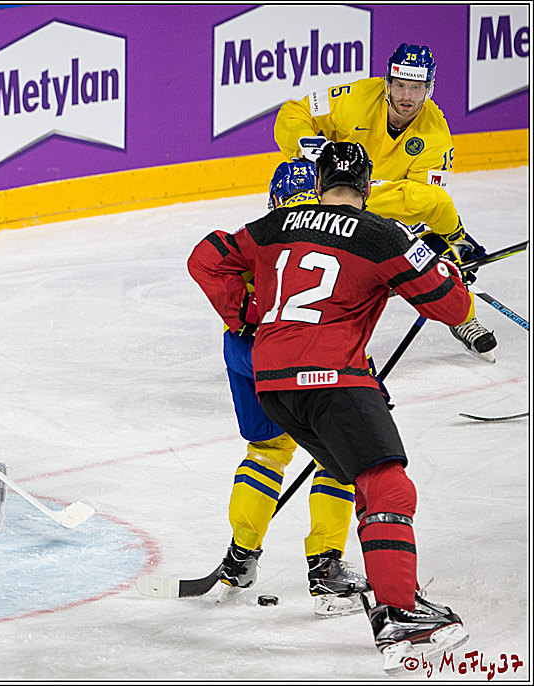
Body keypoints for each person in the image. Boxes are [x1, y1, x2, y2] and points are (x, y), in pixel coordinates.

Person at [188, 142, 472, 674]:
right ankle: (398, 610)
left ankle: (280, 560)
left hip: (273, 381)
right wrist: (444, 267)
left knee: (339, 468)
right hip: (333, 378)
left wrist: (247, 312)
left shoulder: (276, 227)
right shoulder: (382, 234)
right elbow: (451, 307)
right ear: (367, 187)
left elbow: (204, 256)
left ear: (318, 187)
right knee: (385, 484)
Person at [204, 160, 369, 619]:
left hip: (242, 349)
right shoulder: (329, 235)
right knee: (335, 454)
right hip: (298, 352)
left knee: (266, 452)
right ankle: (326, 568)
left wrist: (245, 312)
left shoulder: (262, 229)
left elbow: (210, 265)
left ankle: (240, 557)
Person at [274, 43, 497, 361]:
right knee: (288, 234)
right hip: (326, 204)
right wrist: (303, 142)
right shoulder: (354, 98)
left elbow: (427, 200)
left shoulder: (435, 135)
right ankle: (270, 319)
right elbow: (294, 111)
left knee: (434, 259)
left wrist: (452, 236)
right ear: (387, 83)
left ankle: (462, 314)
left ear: (429, 89)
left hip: (380, 216)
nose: (407, 96)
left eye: (416, 87)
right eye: (401, 85)